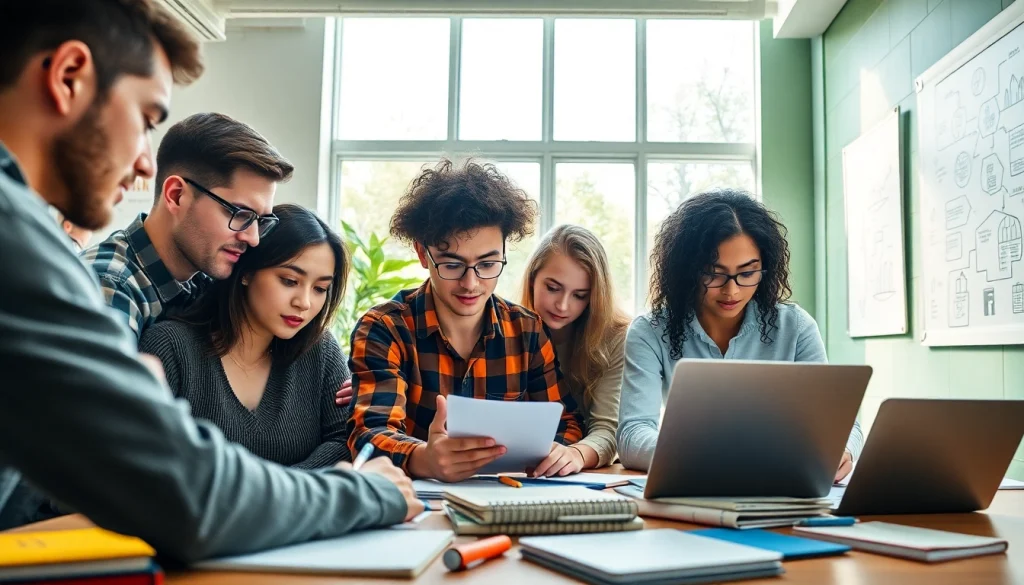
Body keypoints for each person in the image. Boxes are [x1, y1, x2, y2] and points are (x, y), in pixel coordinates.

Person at [0, 0, 420, 561]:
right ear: (69, 76)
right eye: (147, 119)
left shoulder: (200, 287)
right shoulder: (86, 275)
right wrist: (363, 492)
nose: (145, 164)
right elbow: (174, 487)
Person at [346, 159, 583, 483]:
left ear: (503, 252)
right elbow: (369, 435)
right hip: (417, 506)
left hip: (512, 495)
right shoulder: (386, 328)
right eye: (452, 264)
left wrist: (561, 451)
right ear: (421, 253)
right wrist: (423, 458)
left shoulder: (527, 330)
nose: (471, 283)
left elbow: (566, 424)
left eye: (487, 264)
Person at [616, 188, 863, 481]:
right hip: (696, 480)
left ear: (766, 269)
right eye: (714, 273)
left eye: (747, 273)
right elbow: (632, 434)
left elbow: (843, 424)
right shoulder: (650, 330)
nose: (731, 291)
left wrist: (841, 450)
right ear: (687, 270)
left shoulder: (796, 327)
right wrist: (705, 457)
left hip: (781, 484)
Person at [141, 204, 353, 468]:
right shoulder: (168, 347)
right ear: (247, 272)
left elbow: (345, 441)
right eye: (289, 281)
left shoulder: (319, 349)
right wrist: (295, 490)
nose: (305, 302)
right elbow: (154, 465)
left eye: (320, 288)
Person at [82, 111, 292, 340]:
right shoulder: (108, 286)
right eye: (240, 214)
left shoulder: (205, 279)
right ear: (177, 195)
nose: (253, 238)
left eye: (260, 221)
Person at [519, 224, 630, 476]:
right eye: (553, 288)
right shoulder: (509, 327)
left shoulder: (616, 338)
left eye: (580, 295)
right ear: (532, 278)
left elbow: (609, 430)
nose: (563, 305)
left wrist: (575, 454)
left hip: (582, 473)